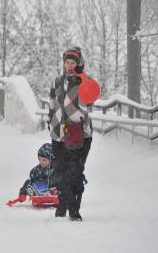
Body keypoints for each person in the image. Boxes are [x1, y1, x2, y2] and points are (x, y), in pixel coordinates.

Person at [48, 47, 93, 221]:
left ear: (79, 63)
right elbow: (52, 104)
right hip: (59, 135)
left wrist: (81, 78)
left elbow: (90, 103)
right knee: (60, 173)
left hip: (80, 135)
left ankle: (74, 209)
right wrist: (51, 123)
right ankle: (62, 205)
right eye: (67, 62)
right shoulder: (57, 82)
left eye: (73, 62)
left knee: (75, 173)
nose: (69, 65)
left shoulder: (85, 83)